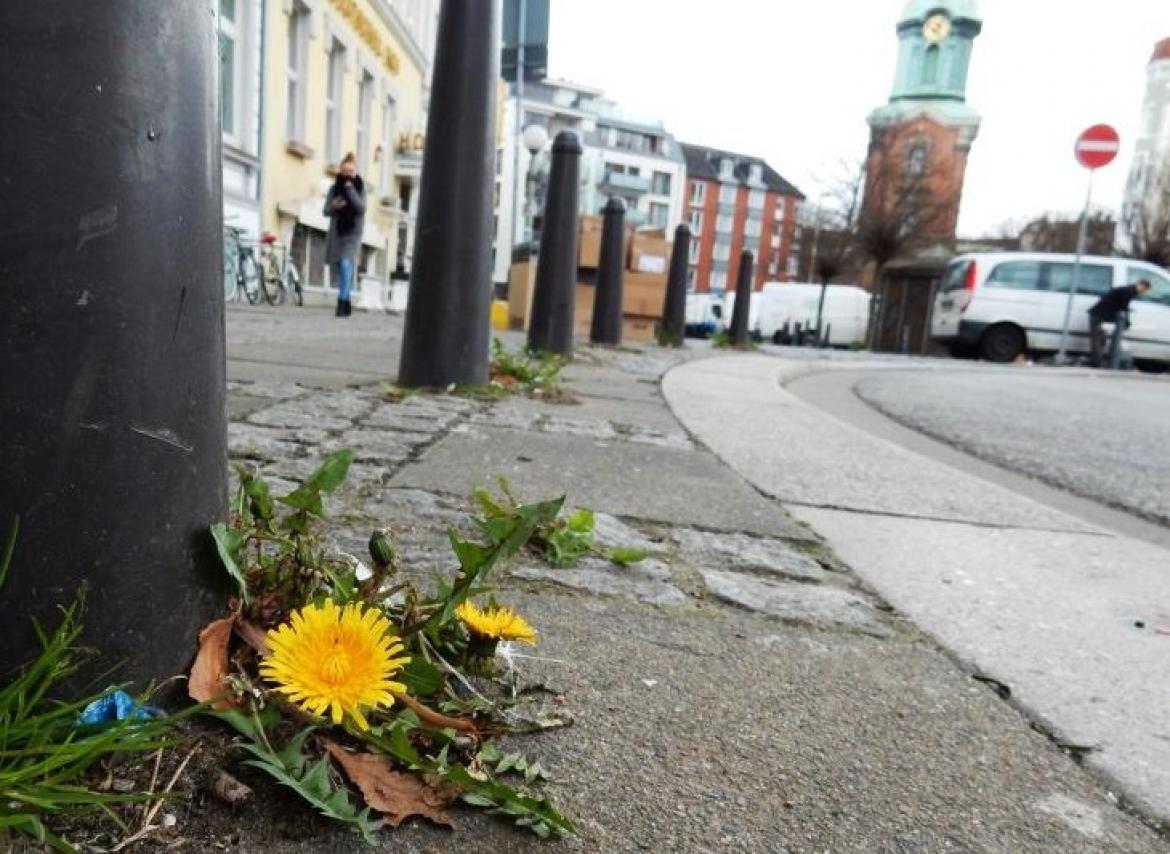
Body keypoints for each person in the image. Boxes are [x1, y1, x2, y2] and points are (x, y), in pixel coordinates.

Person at [322, 153, 366, 317]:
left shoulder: (360, 188)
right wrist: (335, 205)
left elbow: (361, 208)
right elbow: (325, 211)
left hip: (353, 233)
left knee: (347, 265)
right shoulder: (333, 189)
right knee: (341, 268)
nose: (348, 174)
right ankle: (346, 300)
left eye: (351, 171)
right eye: (345, 171)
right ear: (340, 171)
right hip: (338, 232)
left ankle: (341, 303)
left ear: (356, 172)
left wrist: (350, 190)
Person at [1087, 279, 1151, 367]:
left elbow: (1121, 305)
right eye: (1144, 290)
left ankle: (1098, 362)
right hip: (1098, 315)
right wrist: (1127, 321)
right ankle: (1097, 363)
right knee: (1097, 340)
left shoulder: (1128, 290)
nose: (1143, 292)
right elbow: (1123, 306)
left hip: (1101, 315)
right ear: (1141, 285)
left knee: (1101, 339)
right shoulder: (1129, 291)